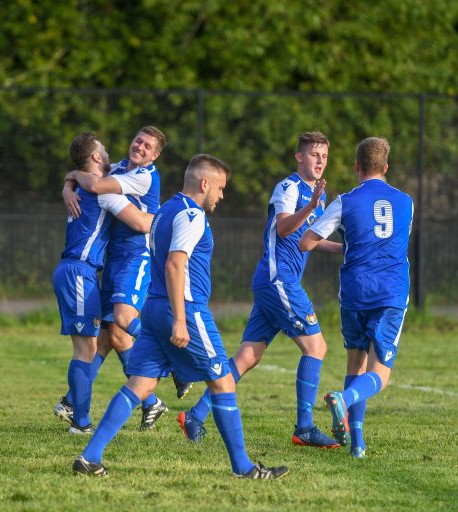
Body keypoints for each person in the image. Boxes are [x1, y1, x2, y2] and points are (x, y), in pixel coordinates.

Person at [73, 154, 290, 479]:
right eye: (220, 188)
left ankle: (91, 456)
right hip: (185, 310)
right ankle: (244, 469)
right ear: (204, 183)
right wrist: (179, 319)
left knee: (141, 383)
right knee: (224, 381)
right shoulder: (192, 215)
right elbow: (176, 264)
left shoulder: (163, 212)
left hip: (155, 307)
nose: (221, 195)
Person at [177, 131, 342, 449]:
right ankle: (304, 428)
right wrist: (310, 206)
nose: (320, 160)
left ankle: (195, 415)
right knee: (316, 348)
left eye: (324, 155)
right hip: (278, 279)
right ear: (299, 157)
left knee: (248, 356)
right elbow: (283, 228)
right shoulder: (289, 187)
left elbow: (308, 239)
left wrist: (343, 248)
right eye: (314, 154)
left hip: (274, 282)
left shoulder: (315, 194)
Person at [57, 126, 189, 432]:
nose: (140, 147)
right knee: (111, 337)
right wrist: (70, 180)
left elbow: (134, 217)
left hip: (135, 257)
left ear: (155, 155)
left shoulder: (142, 177)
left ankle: (174, 360)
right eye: (138, 141)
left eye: (148, 146)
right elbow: (90, 173)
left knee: (121, 317)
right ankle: (148, 401)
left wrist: (74, 179)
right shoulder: (115, 168)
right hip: (111, 262)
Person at [300, 137, 413, 458]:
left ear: (356, 166)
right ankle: (344, 399)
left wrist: (345, 245)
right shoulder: (406, 201)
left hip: (355, 291)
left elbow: (306, 243)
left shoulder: (344, 201)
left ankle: (358, 444)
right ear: (386, 168)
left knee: (356, 362)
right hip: (390, 291)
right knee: (380, 374)